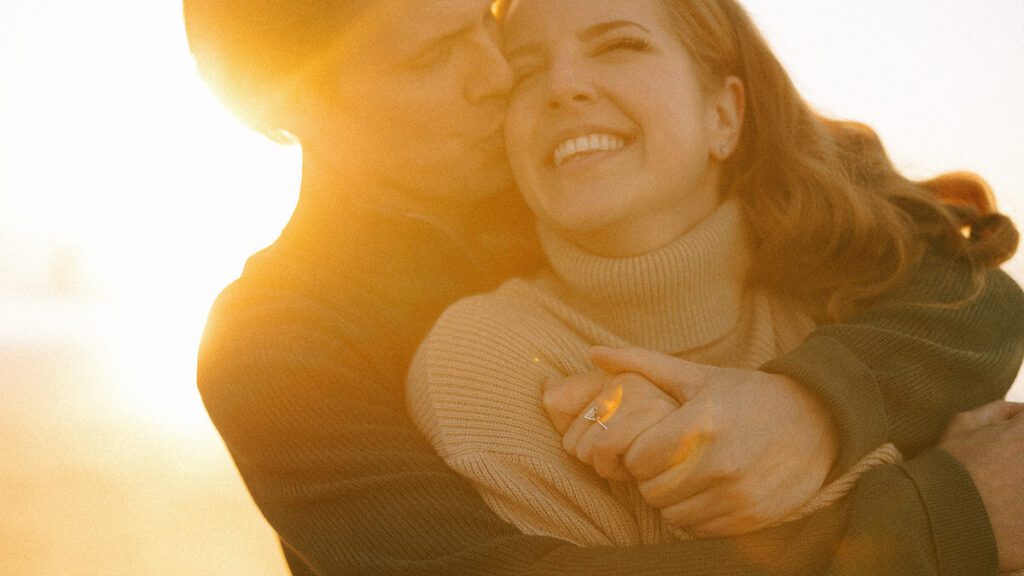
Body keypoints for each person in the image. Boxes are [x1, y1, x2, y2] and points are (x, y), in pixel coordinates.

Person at [186, 0, 1024, 574]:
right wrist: (950, 514)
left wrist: (810, 405)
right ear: (289, 104)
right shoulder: (277, 346)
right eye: (436, 55)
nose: (498, 72)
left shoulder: (608, 158)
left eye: (483, 19)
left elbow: (965, 288)